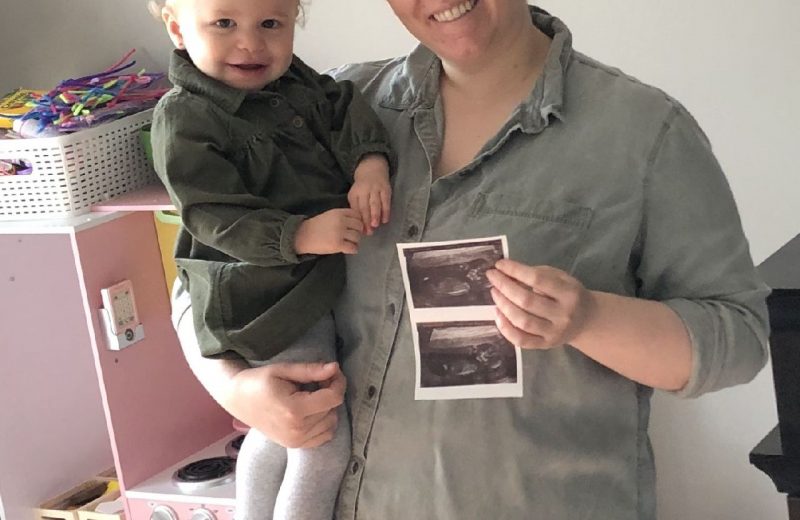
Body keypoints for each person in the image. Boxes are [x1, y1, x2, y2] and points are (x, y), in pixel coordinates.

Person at [171, 2, 771, 519]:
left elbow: (738, 337)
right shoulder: (326, 113)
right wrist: (236, 388)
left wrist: (589, 318)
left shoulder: (643, 132)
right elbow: (199, 275)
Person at [148, 0, 393, 518]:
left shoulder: (298, 83)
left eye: (271, 24)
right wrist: (297, 235)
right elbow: (212, 216)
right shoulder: (184, 116)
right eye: (224, 23)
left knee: (278, 437)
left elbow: (345, 108)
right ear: (177, 28)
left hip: (311, 287)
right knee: (320, 442)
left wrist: (370, 163)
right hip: (264, 298)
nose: (251, 44)